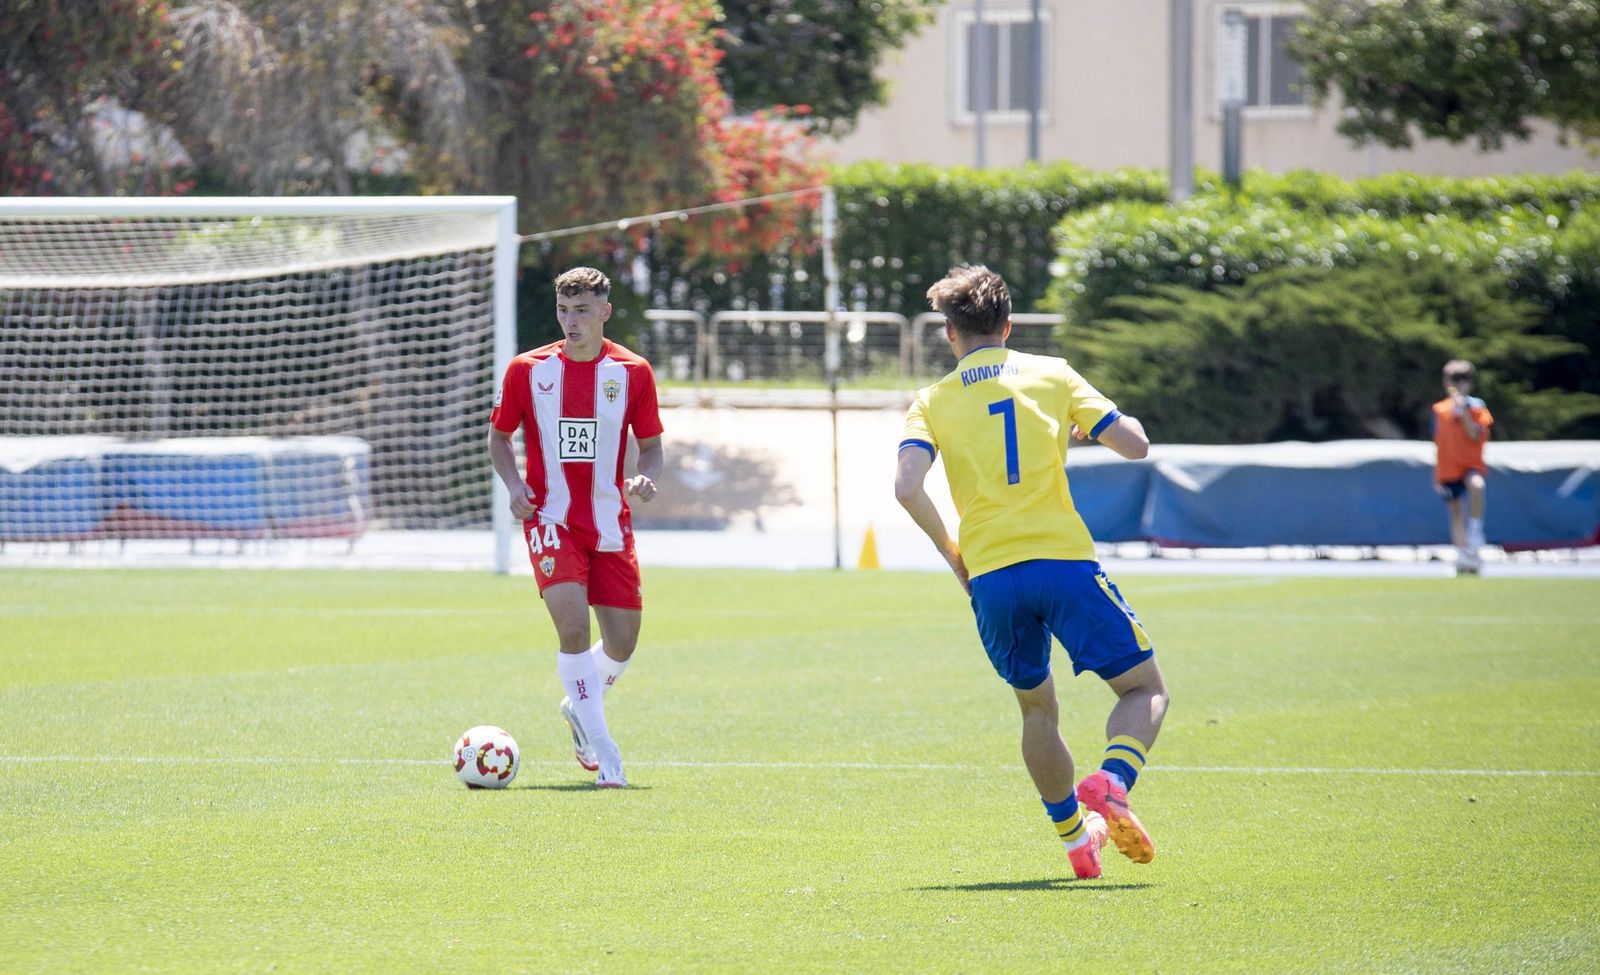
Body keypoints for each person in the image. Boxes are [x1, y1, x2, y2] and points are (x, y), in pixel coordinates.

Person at [894, 265, 1170, 880]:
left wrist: (954, 554)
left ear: (949, 332)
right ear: (1009, 325)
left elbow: (907, 487)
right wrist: (1086, 424)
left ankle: (1076, 841)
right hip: (1063, 562)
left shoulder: (932, 400)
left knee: (1037, 711)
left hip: (992, 576)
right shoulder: (1053, 373)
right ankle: (1112, 781)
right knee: (1144, 690)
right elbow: (1136, 444)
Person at [487, 267, 664, 788]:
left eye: (582, 311)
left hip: (609, 522)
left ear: (604, 312)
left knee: (622, 643)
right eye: (564, 311)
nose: (572, 321)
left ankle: (579, 704)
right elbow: (499, 437)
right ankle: (605, 752)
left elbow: (652, 448)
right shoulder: (528, 370)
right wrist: (514, 486)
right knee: (572, 629)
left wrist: (646, 478)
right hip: (550, 518)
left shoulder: (632, 372)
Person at [1432, 359, 1493, 575]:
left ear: (1470, 383)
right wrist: (1437, 473)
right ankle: (1464, 555)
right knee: (1456, 512)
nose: (1457, 384)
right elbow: (1438, 442)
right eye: (1453, 380)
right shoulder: (1441, 409)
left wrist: (1463, 409)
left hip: (1470, 463)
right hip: (1449, 468)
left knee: (1477, 485)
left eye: (1462, 379)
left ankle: (1476, 531)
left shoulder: (1477, 407)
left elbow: (1474, 434)